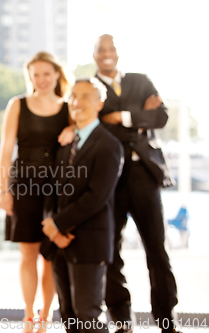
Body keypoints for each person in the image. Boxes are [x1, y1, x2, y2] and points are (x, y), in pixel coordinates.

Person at [93, 34, 179, 333]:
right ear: (94, 55)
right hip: (109, 180)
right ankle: (122, 321)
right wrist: (140, 117)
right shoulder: (89, 88)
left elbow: (162, 116)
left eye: (111, 49)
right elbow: (94, 124)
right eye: (101, 50)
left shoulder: (141, 81)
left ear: (118, 52)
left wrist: (122, 116)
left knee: (157, 248)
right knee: (110, 251)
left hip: (145, 175)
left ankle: (167, 320)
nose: (107, 54)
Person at [0, 51, 74, 332]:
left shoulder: (69, 108)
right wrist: (4, 190)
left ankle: (46, 314)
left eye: (46, 73)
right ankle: (29, 315)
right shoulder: (17, 105)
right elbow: (6, 151)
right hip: (24, 186)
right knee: (28, 254)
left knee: (50, 254)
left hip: (57, 189)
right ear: (30, 77)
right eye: (36, 74)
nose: (41, 79)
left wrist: (73, 129)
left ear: (57, 74)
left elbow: (85, 133)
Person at [40, 78, 124, 333]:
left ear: (100, 103)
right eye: (73, 96)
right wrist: (51, 226)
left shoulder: (110, 146)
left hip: (89, 242)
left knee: (88, 317)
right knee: (68, 317)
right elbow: (51, 189)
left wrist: (57, 224)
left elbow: (96, 197)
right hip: (59, 244)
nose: (77, 102)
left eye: (86, 96)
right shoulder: (65, 144)